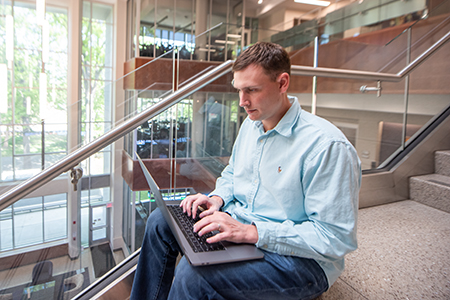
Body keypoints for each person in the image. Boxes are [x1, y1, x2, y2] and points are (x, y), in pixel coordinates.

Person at [130, 42, 361, 300]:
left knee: (193, 276)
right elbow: (232, 174)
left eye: (251, 90)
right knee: (160, 222)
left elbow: (335, 237)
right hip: (243, 225)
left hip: (301, 261)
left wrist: (253, 232)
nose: (242, 102)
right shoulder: (252, 125)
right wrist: (217, 199)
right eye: (239, 90)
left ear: (283, 83)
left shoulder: (327, 146)